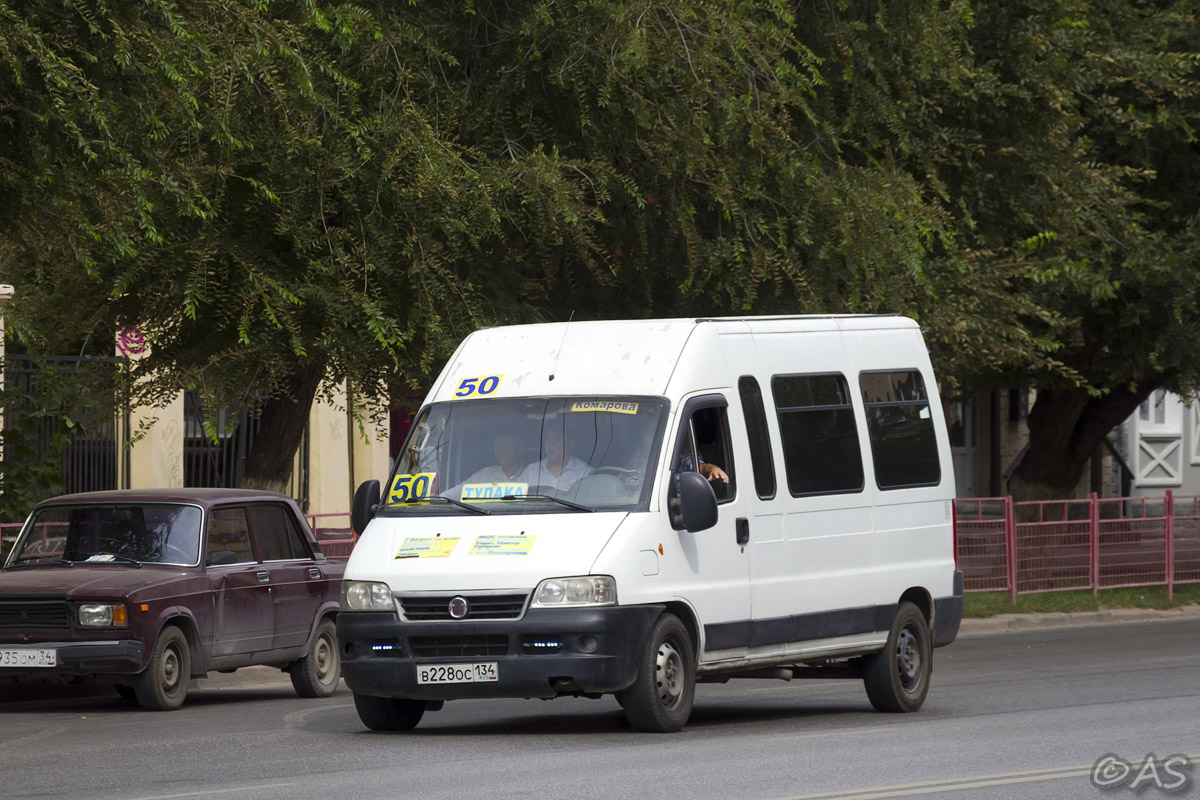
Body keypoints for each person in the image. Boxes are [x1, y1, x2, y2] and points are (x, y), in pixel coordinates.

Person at [516, 425, 593, 491]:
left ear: (571, 443)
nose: (551, 444)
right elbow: (515, 500)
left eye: (557, 440)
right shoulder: (531, 471)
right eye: (548, 439)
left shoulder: (585, 474)